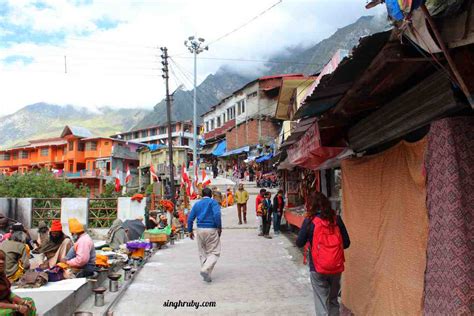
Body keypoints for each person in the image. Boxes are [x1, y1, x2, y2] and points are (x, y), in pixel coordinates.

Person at [296, 192, 350, 316]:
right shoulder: (336, 219)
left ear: (311, 205)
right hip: (336, 267)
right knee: (333, 300)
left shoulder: (309, 221)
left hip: (317, 267)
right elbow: (346, 243)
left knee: (321, 301)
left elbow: (299, 243)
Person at [187, 187, 222, 283]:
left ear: (202, 195)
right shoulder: (213, 203)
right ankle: (205, 269)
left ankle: (207, 275)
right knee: (214, 252)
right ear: (211, 195)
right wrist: (219, 227)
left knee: (202, 252)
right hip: (211, 229)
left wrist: (190, 230)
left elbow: (190, 218)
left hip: (200, 230)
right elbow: (217, 215)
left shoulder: (197, 204)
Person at [0, 250, 36, 315]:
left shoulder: (2, 276)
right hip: (2, 307)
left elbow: (9, 294)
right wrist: (17, 307)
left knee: (29, 302)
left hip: (6, 303)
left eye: (3, 259)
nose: (1, 262)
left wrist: (23, 302)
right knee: (9, 312)